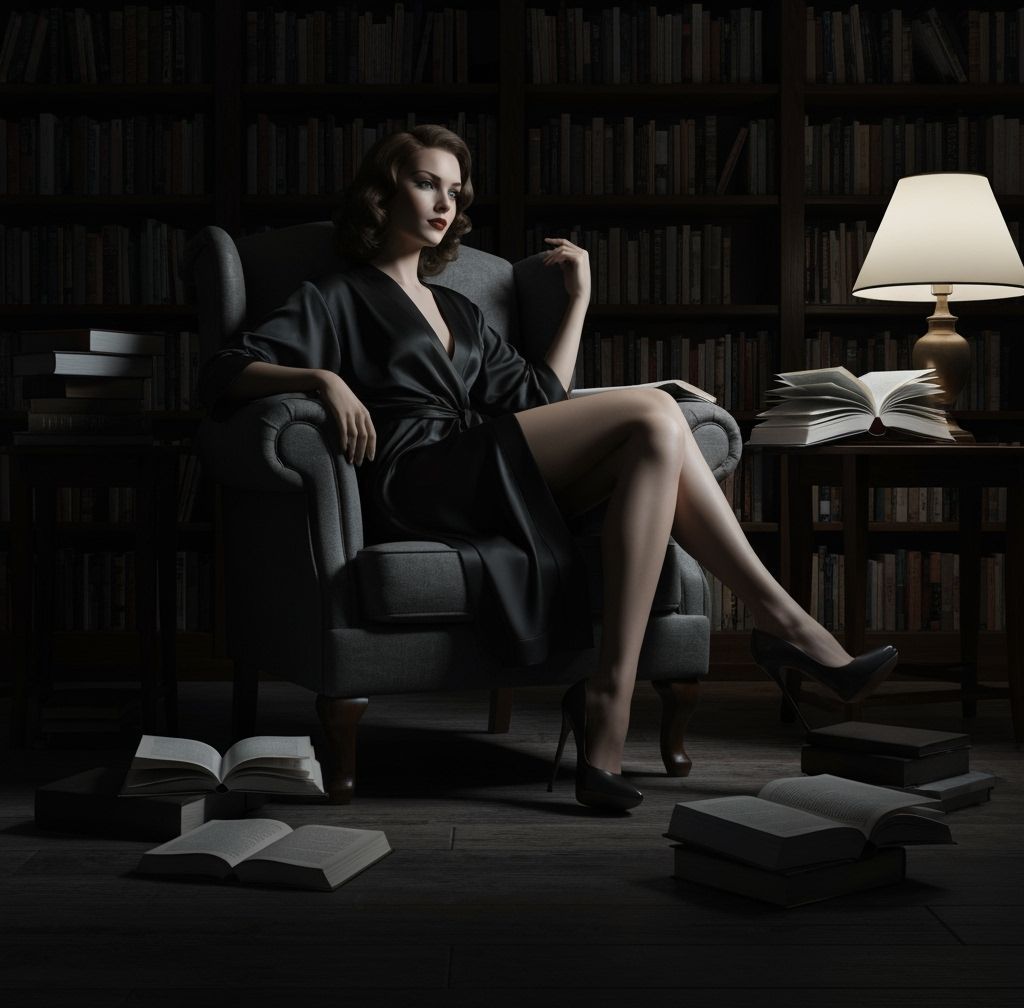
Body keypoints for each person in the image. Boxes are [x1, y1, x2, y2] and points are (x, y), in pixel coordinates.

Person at [198, 124, 898, 813]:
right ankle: (783, 633)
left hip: (483, 463)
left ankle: (611, 702)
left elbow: (538, 400)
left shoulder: (460, 310)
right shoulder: (336, 297)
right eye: (424, 183)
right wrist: (323, 380)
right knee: (655, 413)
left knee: (657, 438)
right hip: (416, 477)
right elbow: (224, 370)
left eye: (454, 190)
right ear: (384, 194)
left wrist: (578, 301)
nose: (445, 203)